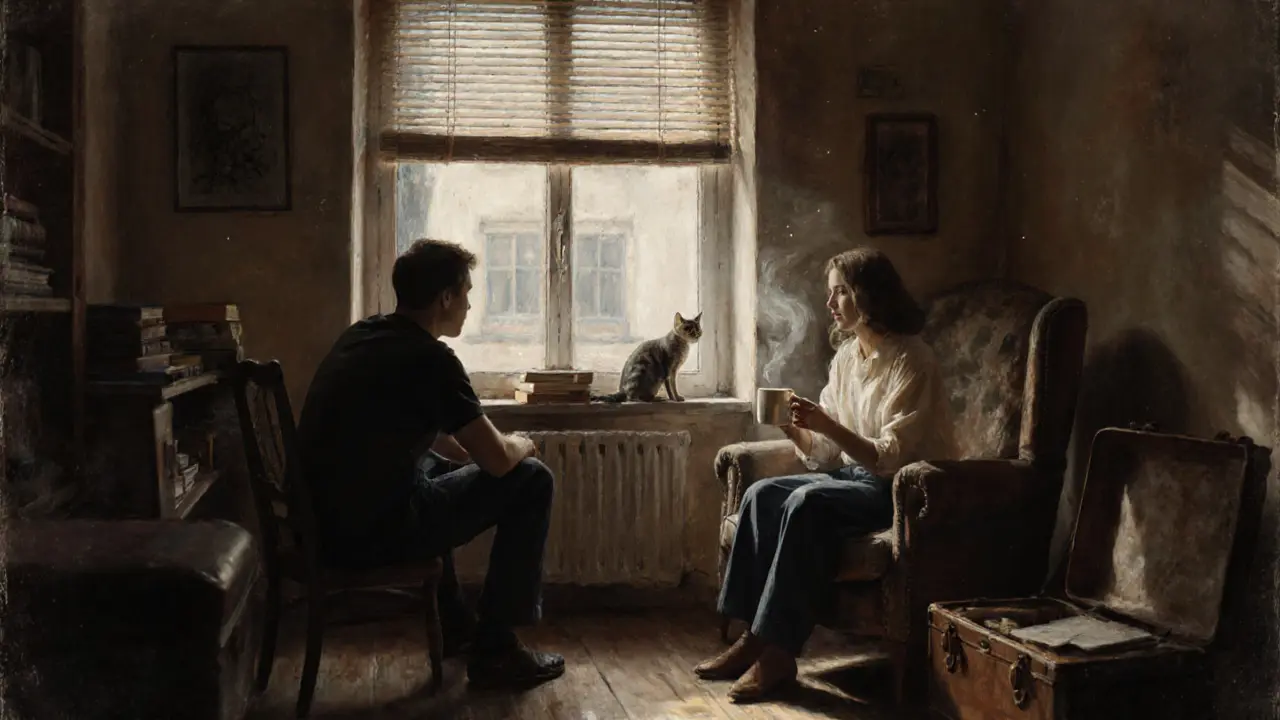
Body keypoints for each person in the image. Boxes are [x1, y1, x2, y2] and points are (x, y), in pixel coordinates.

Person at [297, 238, 565, 688]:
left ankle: (456, 625)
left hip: (325, 524)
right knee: (532, 479)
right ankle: (496, 650)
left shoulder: (365, 334)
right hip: (371, 535)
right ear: (445, 298)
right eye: (466, 293)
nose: (469, 305)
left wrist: (476, 457)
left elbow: (423, 436)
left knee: (437, 470)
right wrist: (523, 443)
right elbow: (500, 462)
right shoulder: (432, 359)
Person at [693, 247, 958, 702]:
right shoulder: (847, 359)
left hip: (900, 490)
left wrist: (828, 425)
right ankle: (752, 637)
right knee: (761, 494)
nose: (830, 303)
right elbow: (826, 453)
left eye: (840, 292)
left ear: (868, 296)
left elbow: (888, 457)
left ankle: (778, 656)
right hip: (855, 478)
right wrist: (793, 428)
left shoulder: (912, 360)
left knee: (806, 502)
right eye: (830, 293)